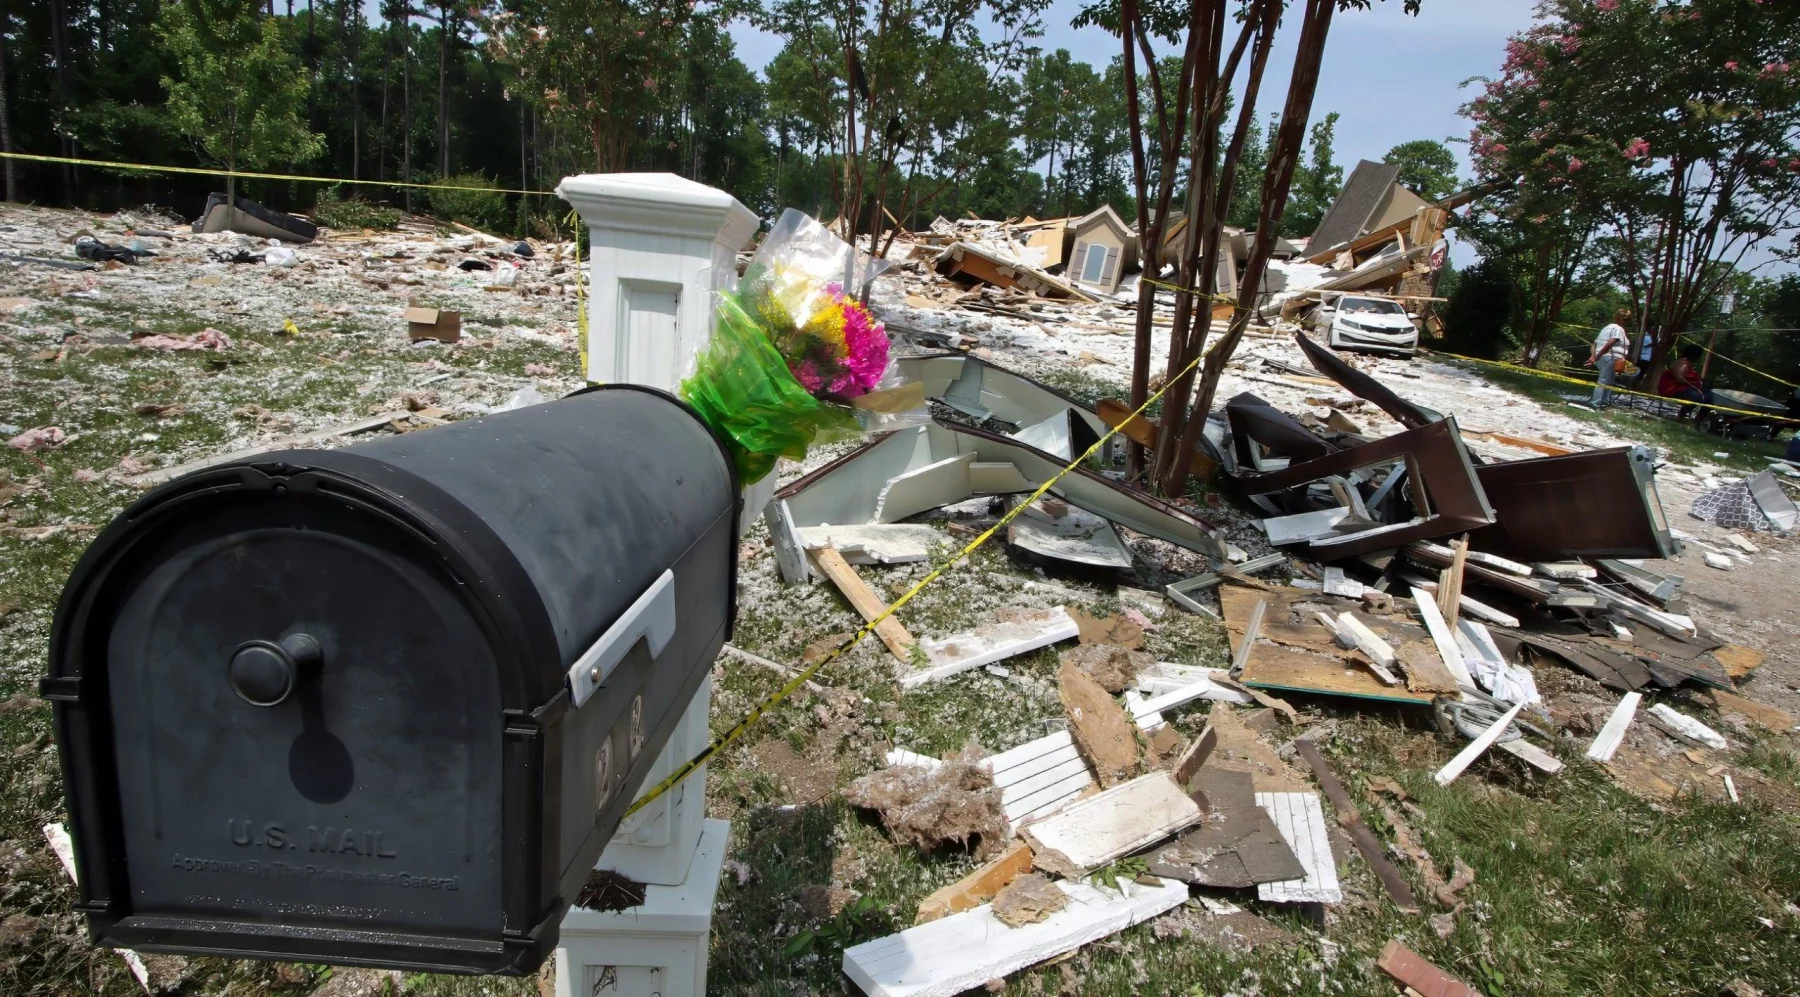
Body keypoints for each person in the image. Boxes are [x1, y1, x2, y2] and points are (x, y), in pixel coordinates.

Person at [1585, 307, 1632, 407]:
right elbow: (1609, 344)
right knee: (1604, 381)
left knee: (1607, 381)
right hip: (1610, 358)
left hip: (1602, 358)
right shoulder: (1619, 329)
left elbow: (1594, 344)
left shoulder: (1606, 328)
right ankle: (1596, 403)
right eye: (1626, 320)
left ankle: (1603, 403)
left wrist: (1593, 358)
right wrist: (1596, 358)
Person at [1656, 344, 1713, 417]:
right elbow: (1679, 378)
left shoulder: (1689, 364)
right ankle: (1682, 414)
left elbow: (1690, 378)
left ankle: (1699, 419)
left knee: (1710, 396)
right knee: (1697, 396)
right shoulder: (1682, 363)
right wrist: (1694, 386)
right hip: (1673, 389)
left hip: (1684, 389)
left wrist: (1701, 382)